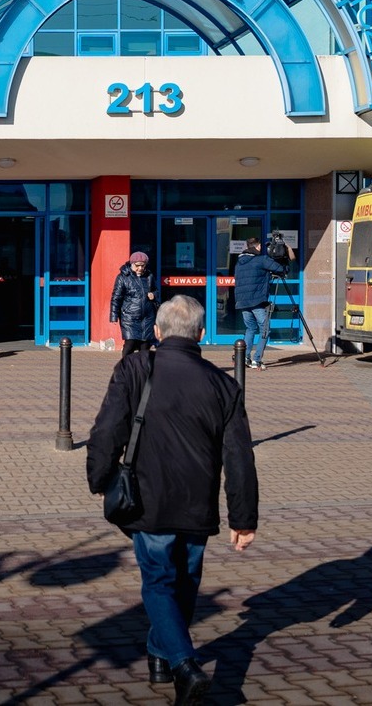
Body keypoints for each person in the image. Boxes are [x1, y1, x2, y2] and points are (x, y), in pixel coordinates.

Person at [86, 294, 257, 705]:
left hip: (149, 499)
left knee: (159, 583)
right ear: (201, 333)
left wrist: (99, 478)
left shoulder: (135, 367)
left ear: (158, 331)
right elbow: (238, 457)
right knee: (186, 582)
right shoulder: (223, 384)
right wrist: (243, 518)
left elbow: (107, 429)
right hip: (198, 502)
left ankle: (183, 664)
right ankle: (160, 657)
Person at [233, 234, 291, 369]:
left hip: (242, 301)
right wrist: (286, 260)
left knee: (250, 328)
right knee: (265, 329)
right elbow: (281, 269)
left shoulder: (239, 263)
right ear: (258, 246)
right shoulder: (261, 260)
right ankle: (257, 360)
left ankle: (245, 357)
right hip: (257, 300)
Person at [110, 250, 158, 355]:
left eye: (143, 265)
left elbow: (156, 290)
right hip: (129, 318)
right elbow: (116, 297)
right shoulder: (123, 277)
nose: (140, 268)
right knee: (130, 345)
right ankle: (126, 364)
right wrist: (114, 316)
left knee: (145, 346)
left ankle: (143, 365)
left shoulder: (149, 276)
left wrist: (154, 295)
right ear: (132, 264)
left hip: (147, 318)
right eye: (137, 265)